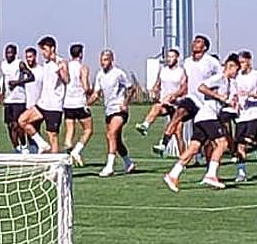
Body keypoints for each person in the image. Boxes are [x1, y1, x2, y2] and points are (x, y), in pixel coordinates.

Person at [162, 58, 232, 191]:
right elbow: (201, 87)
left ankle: (173, 175)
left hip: (203, 117)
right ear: (231, 66)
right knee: (222, 143)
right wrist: (219, 97)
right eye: (236, 69)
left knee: (193, 148)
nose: (236, 73)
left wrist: (229, 104)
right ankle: (211, 175)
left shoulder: (228, 83)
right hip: (207, 116)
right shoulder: (220, 78)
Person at [156, 35, 219, 157]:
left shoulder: (212, 62)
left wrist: (219, 95)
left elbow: (222, 78)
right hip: (191, 99)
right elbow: (185, 82)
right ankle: (164, 142)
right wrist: (174, 95)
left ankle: (210, 164)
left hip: (206, 104)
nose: (194, 43)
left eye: (198, 42)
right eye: (194, 41)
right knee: (178, 114)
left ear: (205, 47)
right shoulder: (187, 62)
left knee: (204, 140)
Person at [89, 49, 136, 177]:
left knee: (111, 134)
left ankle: (110, 166)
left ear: (111, 60)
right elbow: (96, 93)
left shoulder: (118, 73)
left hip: (119, 110)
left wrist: (125, 103)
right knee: (116, 139)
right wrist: (87, 103)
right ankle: (129, 163)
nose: (102, 63)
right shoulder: (99, 75)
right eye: (101, 60)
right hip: (109, 110)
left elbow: (131, 88)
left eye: (105, 60)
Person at [19, 36, 69, 154]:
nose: (43, 52)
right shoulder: (46, 64)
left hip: (54, 106)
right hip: (42, 104)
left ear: (52, 48)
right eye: (42, 49)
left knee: (52, 136)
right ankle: (41, 144)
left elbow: (66, 80)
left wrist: (60, 70)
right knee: (22, 120)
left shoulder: (61, 62)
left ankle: (55, 168)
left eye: (45, 49)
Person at [136, 48, 185, 152]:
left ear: (177, 58)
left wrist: (173, 96)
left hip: (177, 105)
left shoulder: (181, 72)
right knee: (156, 107)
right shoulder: (163, 70)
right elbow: (157, 84)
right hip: (165, 103)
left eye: (172, 56)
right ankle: (145, 125)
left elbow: (183, 89)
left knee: (178, 133)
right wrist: (155, 90)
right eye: (168, 56)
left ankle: (183, 159)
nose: (169, 59)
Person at [232, 50, 257, 182]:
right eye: (239, 62)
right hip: (241, 114)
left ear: (249, 61)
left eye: (242, 62)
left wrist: (252, 95)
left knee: (248, 139)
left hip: (255, 112)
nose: (240, 65)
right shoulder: (236, 77)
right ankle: (241, 173)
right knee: (239, 145)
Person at [61, 43, 94, 165]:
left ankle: (66, 159)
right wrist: (90, 90)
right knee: (88, 129)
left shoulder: (66, 66)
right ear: (81, 54)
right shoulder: (83, 67)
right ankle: (76, 151)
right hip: (79, 102)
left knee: (70, 131)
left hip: (67, 103)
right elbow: (85, 87)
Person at [0, 44, 33, 152]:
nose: (8, 55)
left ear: (15, 54)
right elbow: (4, 79)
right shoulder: (3, 64)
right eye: (7, 53)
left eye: (10, 53)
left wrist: (17, 82)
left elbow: (31, 77)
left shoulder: (20, 64)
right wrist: (2, 93)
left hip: (19, 99)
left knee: (17, 125)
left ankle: (24, 146)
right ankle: (16, 148)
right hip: (8, 99)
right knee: (9, 125)